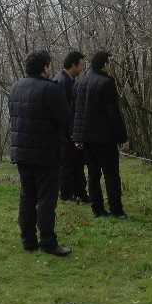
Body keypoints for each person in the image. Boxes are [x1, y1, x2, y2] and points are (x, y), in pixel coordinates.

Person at [9, 50, 74, 256]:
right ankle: (47, 241)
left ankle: (28, 240)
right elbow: (65, 118)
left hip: (21, 151)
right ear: (45, 68)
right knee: (46, 198)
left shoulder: (16, 87)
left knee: (27, 195)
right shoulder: (49, 89)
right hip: (46, 152)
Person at [71, 51, 129, 218]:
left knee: (93, 174)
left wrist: (78, 136)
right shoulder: (107, 83)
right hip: (104, 138)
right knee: (111, 174)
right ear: (104, 65)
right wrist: (122, 138)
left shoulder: (80, 83)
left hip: (87, 138)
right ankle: (116, 209)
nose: (110, 66)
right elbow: (114, 114)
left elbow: (76, 112)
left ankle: (97, 208)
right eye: (109, 63)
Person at [55, 51, 88, 203]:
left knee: (76, 162)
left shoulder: (68, 80)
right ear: (74, 65)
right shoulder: (62, 82)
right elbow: (64, 111)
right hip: (66, 133)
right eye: (81, 65)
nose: (82, 68)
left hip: (71, 131)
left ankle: (78, 192)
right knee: (67, 164)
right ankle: (66, 194)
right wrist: (72, 133)